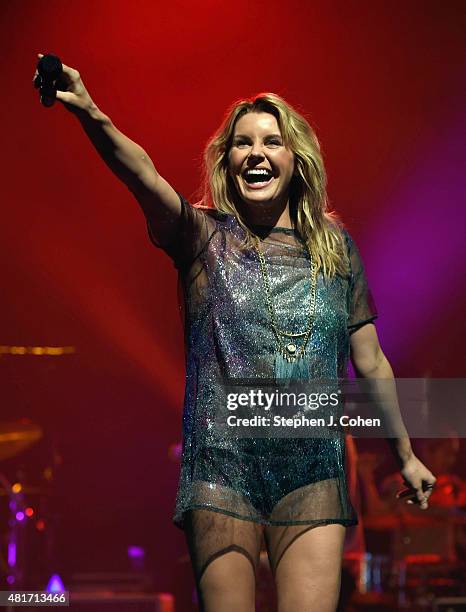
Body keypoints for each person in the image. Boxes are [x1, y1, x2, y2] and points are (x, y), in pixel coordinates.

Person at [33, 54, 437, 612]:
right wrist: (90, 112)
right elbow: (143, 176)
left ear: (295, 159)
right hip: (221, 470)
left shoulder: (334, 249)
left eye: (271, 142)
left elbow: (370, 361)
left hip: (311, 468)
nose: (256, 153)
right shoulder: (200, 238)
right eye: (242, 144)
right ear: (227, 163)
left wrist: (404, 454)